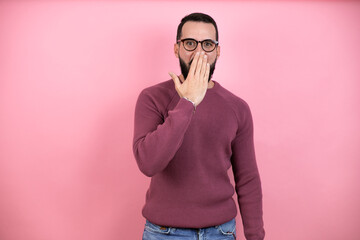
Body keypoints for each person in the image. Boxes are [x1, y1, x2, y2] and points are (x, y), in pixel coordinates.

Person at [133, 12, 265, 240]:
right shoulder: (151, 98)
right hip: (164, 233)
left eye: (207, 44)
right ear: (176, 48)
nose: (199, 52)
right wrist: (188, 102)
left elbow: (247, 178)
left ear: (218, 51)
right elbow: (148, 163)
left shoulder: (237, 107)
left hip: (221, 232)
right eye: (190, 43)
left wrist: (256, 236)